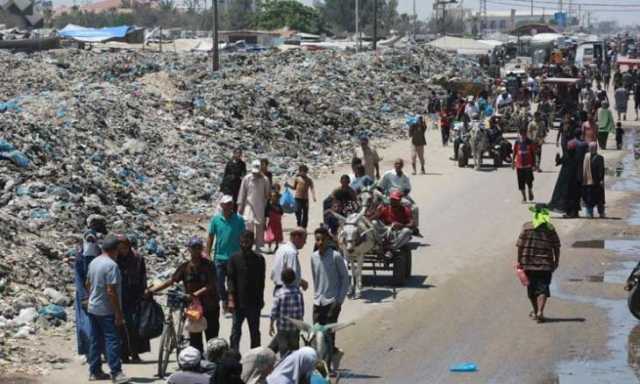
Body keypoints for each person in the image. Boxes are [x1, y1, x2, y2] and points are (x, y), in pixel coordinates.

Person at [147, 236, 219, 353]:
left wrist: (195, 294)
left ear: (201, 249)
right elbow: (172, 281)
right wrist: (153, 290)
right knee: (195, 339)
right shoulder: (185, 267)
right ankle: (197, 363)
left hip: (210, 306)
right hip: (193, 308)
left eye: (198, 247)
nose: (195, 250)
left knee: (211, 338)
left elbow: (211, 285)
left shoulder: (209, 266)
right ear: (189, 249)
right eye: (193, 248)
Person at [85, 235, 129, 383]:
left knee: (96, 339)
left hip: (93, 308)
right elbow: (111, 291)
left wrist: (91, 298)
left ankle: (95, 371)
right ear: (115, 250)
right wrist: (118, 313)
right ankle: (116, 373)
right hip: (106, 310)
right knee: (113, 340)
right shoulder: (111, 265)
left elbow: (88, 283)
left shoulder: (94, 262)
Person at [311, 227, 349, 369]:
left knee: (328, 335)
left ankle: (325, 366)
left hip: (332, 301)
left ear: (327, 240)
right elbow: (316, 279)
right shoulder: (313, 257)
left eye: (322, 239)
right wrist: (316, 296)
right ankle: (332, 355)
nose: (319, 242)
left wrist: (338, 301)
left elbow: (345, 280)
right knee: (315, 334)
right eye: (317, 239)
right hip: (318, 301)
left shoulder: (335, 256)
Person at [516, 205, 561, 323]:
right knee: (543, 288)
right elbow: (556, 246)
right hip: (545, 264)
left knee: (531, 288)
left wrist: (519, 261)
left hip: (528, 263)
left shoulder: (526, 227)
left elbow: (520, 245)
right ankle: (540, 311)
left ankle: (536, 311)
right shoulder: (550, 228)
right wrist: (556, 261)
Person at [227, 231, 266, 351]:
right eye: (243, 241)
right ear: (240, 242)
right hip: (238, 303)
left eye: (247, 241)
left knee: (255, 333)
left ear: (252, 242)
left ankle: (255, 357)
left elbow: (261, 282)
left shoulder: (259, 259)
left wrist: (261, 300)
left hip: (254, 303)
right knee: (235, 332)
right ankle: (234, 356)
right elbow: (230, 281)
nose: (245, 244)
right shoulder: (234, 259)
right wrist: (231, 300)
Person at [75, 216, 107, 359]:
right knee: (91, 320)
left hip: (88, 288)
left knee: (90, 320)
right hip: (88, 289)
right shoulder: (91, 239)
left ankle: (93, 352)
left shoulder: (90, 240)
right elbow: (87, 269)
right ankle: (93, 352)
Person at [207, 195, 245, 313]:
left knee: (232, 282)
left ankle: (230, 302)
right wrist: (207, 253)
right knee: (219, 282)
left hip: (234, 257)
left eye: (230, 204)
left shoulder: (239, 220)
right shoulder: (216, 220)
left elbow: (243, 237)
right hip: (219, 257)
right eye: (226, 204)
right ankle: (224, 300)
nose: (228, 206)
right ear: (221, 205)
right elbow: (211, 236)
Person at [115, 235, 149, 363]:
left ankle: (135, 353)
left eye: (124, 248)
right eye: (119, 248)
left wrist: (144, 290)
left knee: (133, 325)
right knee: (120, 326)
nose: (122, 250)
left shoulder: (137, 258)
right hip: (119, 295)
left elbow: (143, 275)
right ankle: (123, 354)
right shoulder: (115, 258)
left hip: (134, 295)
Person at [269, 268, 304, 358]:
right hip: (295, 328)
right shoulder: (299, 293)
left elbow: (274, 311)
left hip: (282, 328)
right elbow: (301, 310)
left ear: (282, 279)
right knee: (295, 350)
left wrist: (271, 324)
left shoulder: (279, 293)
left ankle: (284, 365)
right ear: (294, 278)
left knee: (284, 350)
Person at [379, 159, 420, 234]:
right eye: (396, 163)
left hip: (401, 196)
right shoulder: (388, 174)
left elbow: (407, 188)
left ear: (402, 166)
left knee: (414, 207)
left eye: (400, 164)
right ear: (394, 165)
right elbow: (380, 186)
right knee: (379, 207)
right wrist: (383, 195)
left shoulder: (405, 176)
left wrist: (402, 195)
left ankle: (414, 228)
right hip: (389, 195)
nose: (398, 165)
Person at [238, 160, 271, 249]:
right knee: (248, 223)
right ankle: (249, 243)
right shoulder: (247, 178)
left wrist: (266, 204)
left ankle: (259, 245)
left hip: (260, 205)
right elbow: (242, 192)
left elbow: (267, 194)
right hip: (248, 205)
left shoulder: (265, 180)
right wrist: (240, 206)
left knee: (259, 225)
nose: (255, 174)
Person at [372, 191, 415, 255]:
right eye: (392, 199)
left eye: (395, 200)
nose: (393, 201)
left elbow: (412, 224)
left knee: (407, 231)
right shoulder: (385, 208)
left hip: (398, 233)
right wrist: (377, 212)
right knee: (374, 222)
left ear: (399, 200)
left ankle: (391, 248)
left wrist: (401, 226)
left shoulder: (406, 210)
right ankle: (379, 245)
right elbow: (373, 219)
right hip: (386, 231)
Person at [271, 228, 309, 294]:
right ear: (297, 237)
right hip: (288, 291)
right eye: (304, 239)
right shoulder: (291, 253)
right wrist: (303, 283)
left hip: (277, 289)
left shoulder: (281, 248)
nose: (305, 242)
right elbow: (292, 277)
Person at [512, 127, 537, 203]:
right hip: (519, 165)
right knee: (521, 182)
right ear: (519, 134)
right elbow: (515, 152)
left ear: (526, 133)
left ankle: (530, 190)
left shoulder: (530, 142)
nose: (522, 135)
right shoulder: (517, 142)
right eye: (521, 133)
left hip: (528, 165)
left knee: (529, 181)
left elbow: (533, 153)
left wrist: (534, 164)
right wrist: (513, 162)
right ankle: (524, 197)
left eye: (524, 133)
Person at [287, 164, 316, 229]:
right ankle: (299, 224)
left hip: (305, 199)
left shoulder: (309, 180)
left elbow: (312, 188)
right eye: (302, 171)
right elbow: (294, 187)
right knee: (297, 211)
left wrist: (313, 196)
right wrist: (288, 185)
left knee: (305, 213)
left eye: (304, 171)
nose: (303, 173)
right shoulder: (297, 179)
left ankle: (304, 227)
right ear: (300, 171)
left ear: (306, 172)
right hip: (297, 198)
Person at [582, 142, 606, 218]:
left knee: (595, 199)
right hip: (592, 181)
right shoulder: (590, 157)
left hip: (593, 181)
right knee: (593, 198)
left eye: (592, 148)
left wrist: (601, 180)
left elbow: (601, 170)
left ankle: (596, 213)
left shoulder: (596, 157)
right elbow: (601, 170)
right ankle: (595, 213)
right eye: (591, 148)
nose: (591, 149)